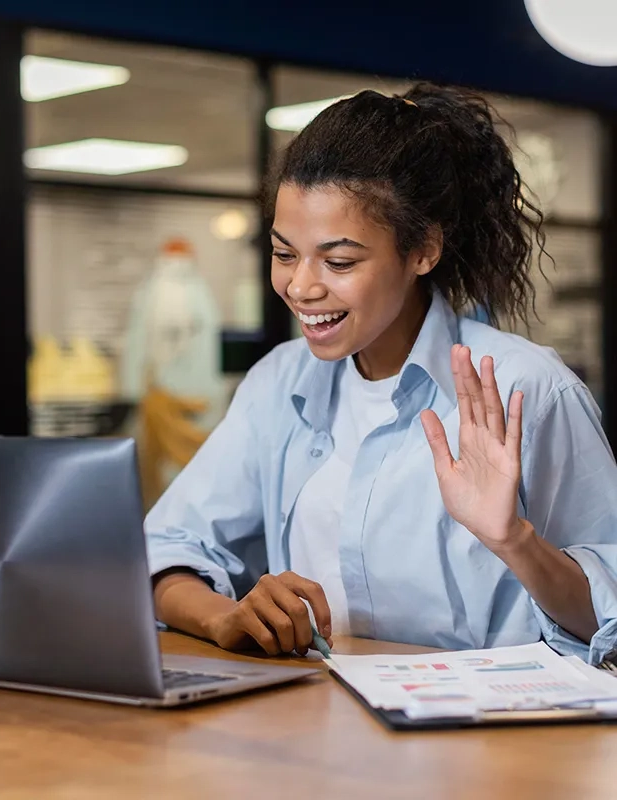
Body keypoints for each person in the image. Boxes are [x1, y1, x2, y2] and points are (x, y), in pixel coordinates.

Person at [146, 84, 617, 665]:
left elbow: (609, 617)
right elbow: (166, 548)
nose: (301, 287)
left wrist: (512, 540)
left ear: (422, 250)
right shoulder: (278, 383)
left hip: (492, 745)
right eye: (284, 253)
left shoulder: (527, 389)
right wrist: (227, 617)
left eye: (339, 261)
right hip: (316, 728)